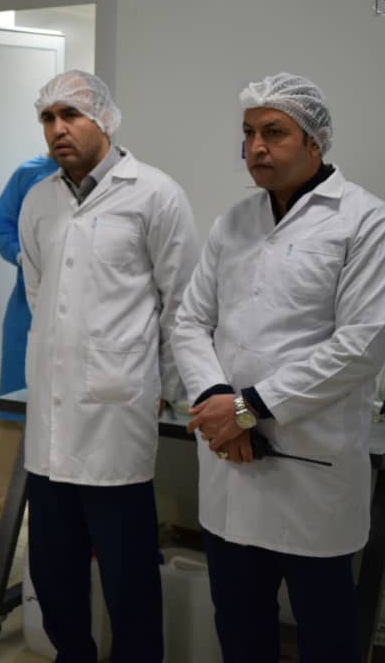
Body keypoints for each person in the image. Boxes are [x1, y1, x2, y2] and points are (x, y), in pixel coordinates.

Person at [172, 72, 385, 663]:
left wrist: (246, 409)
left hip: (310, 468)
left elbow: (363, 343)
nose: (256, 147)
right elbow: (190, 322)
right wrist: (218, 400)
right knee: (240, 630)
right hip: (232, 465)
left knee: (326, 636)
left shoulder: (364, 220)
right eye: (248, 134)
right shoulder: (233, 221)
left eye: (274, 132)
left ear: (315, 141)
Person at [18, 69, 199, 662]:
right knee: (54, 571)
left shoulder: (154, 194)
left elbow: (183, 304)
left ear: (104, 119)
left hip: (117, 416)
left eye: (70, 115)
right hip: (50, 421)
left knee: (128, 575)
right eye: (48, 118)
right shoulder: (38, 200)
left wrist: (168, 387)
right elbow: (40, 297)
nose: (58, 129)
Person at [0, 153, 60, 536]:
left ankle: (63, 510)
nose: (59, 129)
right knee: (13, 407)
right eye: (49, 122)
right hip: (28, 306)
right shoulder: (30, 175)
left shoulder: (117, 184)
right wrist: (20, 255)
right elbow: (1, 224)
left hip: (86, 314)